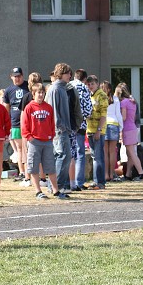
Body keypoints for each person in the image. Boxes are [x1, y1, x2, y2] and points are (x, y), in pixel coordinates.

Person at [21, 83, 67, 199]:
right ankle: (38, 191)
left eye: (42, 92)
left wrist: (51, 135)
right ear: (33, 94)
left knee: (50, 166)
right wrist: (29, 137)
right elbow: (24, 125)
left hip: (47, 141)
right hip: (34, 141)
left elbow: (52, 123)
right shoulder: (29, 107)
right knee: (34, 166)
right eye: (38, 93)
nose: (41, 95)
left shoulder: (48, 107)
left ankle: (56, 190)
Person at [45, 63, 74, 194]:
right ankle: (57, 186)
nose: (70, 76)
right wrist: (60, 128)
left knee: (63, 156)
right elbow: (54, 111)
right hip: (59, 130)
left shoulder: (62, 88)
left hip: (62, 129)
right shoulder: (56, 89)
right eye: (68, 73)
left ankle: (56, 186)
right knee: (63, 156)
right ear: (61, 73)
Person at [117, 83, 143, 181]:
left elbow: (123, 117)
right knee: (130, 153)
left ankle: (142, 173)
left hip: (127, 129)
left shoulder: (123, 103)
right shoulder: (132, 102)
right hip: (133, 128)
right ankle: (128, 175)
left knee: (131, 153)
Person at [2, 67, 30, 183]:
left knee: (28, 149)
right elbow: (6, 109)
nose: (17, 78)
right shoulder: (8, 90)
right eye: (15, 76)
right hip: (15, 124)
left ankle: (30, 172)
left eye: (19, 76)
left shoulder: (28, 86)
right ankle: (22, 172)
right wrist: (6, 125)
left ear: (23, 76)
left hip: (28, 124)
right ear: (11, 77)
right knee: (19, 149)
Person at [68, 69, 93, 191]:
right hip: (81, 125)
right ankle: (79, 181)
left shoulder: (68, 85)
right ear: (85, 79)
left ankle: (69, 180)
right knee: (80, 154)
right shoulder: (84, 88)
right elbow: (88, 109)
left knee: (69, 153)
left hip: (69, 124)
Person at [86, 75, 108, 189]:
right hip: (90, 129)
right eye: (88, 84)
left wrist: (99, 130)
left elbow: (103, 116)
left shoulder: (102, 96)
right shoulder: (89, 95)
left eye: (92, 84)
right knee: (94, 156)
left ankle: (100, 182)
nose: (90, 86)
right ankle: (96, 181)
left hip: (98, 130)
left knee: (98, 157)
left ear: (97, 84)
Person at [101, 81, 123, 181]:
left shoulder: (100, 98)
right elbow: (118, 114)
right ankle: (111, 174)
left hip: (104, 124)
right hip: (114, 124)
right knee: (112, 151)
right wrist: (121, 127)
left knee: (105, 152)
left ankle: (106, 174)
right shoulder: (115, 99)